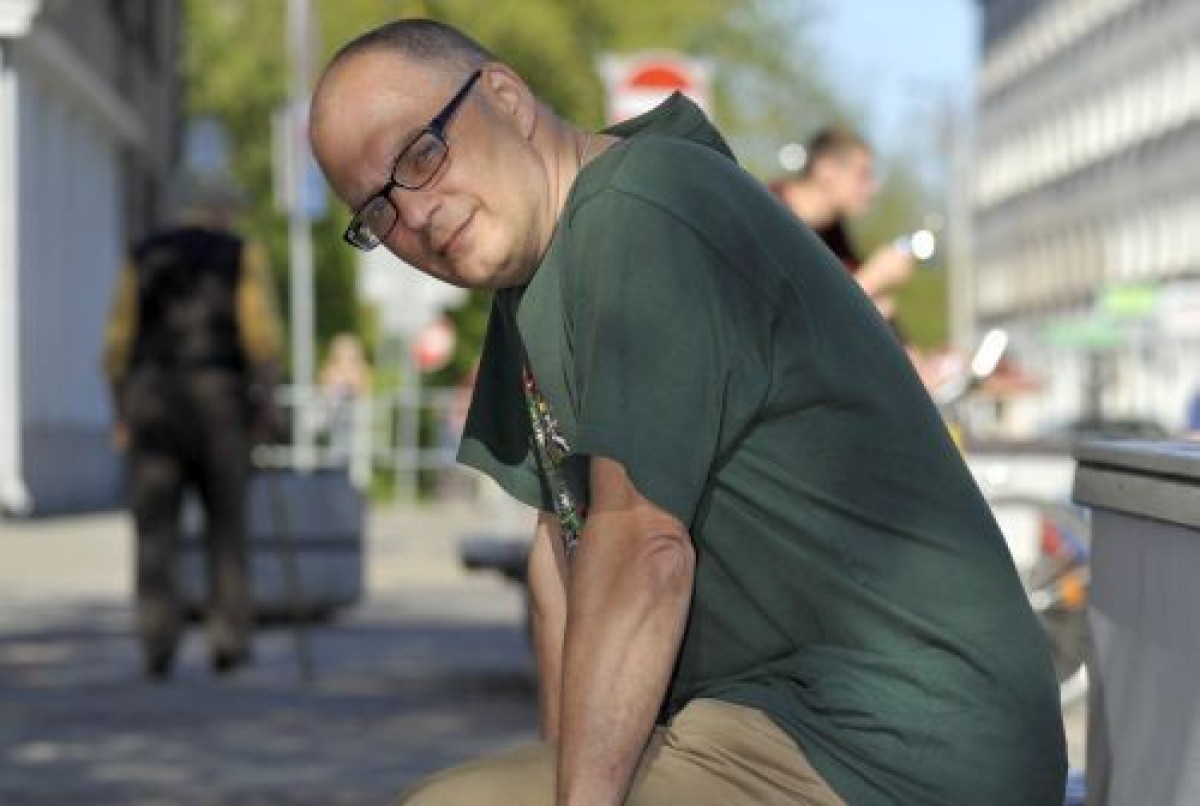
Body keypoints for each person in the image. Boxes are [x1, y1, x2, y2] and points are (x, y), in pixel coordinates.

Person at [309, 19, 1066, 805]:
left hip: (899, 739)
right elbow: (561, 553)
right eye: (377, 212)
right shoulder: (532, 279)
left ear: (505, 97)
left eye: (421, 156)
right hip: (777, 725)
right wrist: (563, 776)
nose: (414, 217)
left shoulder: (643, 207)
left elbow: (642, 550)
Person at [101, 177, 282, 681]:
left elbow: (117, 344)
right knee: (227, 524)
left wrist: (121, 412)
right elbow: (261, 337)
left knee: (154, 530)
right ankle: (229, 638)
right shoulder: (241, 255)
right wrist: (268, 404)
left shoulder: (143, 256)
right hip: (219, 400)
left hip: (152, 398)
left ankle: (156, 640)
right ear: (222, 210)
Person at [769, 126, 914, 321]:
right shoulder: (765, 217)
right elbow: (790, 320)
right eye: (863, 175)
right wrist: (871, 280)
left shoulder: (835, 236)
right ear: (826, 170)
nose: (874, 188)